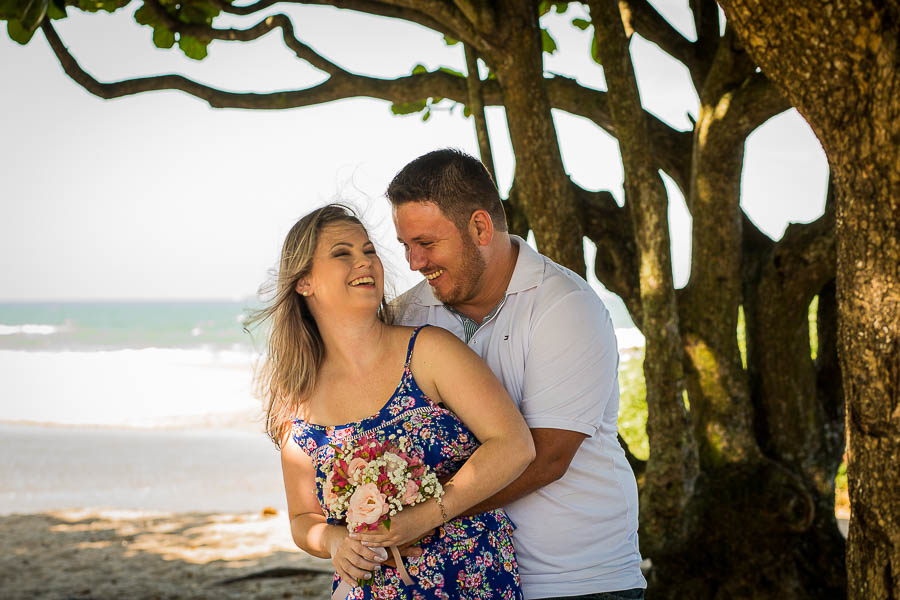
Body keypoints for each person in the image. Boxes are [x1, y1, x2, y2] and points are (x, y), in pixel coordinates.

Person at [387, 149, 647, 600]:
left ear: (480, 228)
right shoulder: (407, 315)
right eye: (405, 245)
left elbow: (547, 457)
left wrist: (426, 517)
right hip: (464, 578)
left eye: (426, 243)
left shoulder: (565, 306)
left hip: (575, 579)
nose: (414, 262)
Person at [251, 204, 536, 599]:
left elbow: (514, 444)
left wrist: (425, 516)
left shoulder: (429, 352)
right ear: (304, 283)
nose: (364, 261)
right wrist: (334, 541)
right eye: (342, 253)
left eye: (368, 250)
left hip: (472, 581)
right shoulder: (297, 399)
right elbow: (303, 518)